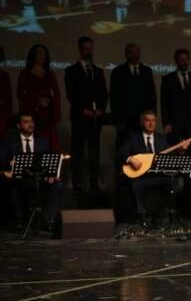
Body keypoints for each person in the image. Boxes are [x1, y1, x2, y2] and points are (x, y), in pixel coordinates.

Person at [120, 110, 188, 226]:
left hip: (158, 175)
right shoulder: (133, 137)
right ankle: (142, 216)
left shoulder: (161, 138)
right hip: (140, 176)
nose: (151, 123)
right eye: (147, 120)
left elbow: (171, 156)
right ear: (142, 122)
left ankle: (163, 215)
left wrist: (181, 151)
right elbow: (121, 152)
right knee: (135, 185)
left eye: (153, 120)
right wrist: (130, 159)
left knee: (171, 182)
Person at [0, 112, 63, 231]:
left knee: (57, 185)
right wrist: (9, 166)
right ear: (19, 125)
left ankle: (48, 220)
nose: (30, 124)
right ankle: (19, 220)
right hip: (19, 178)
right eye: (26, 122)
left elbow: (48, 162)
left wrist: (51, 175)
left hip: (39, 177)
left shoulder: (43, 141)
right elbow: (2, 160)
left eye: (31, 121)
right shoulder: (10, 141)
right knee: (14, 184)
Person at [65, 36, 108, 191]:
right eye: (86, 48)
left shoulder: (97, 71)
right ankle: (77, 183)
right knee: (78, 150)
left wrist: (100, 109)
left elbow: (104, 93)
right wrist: (83, 110)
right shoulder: (71, 70)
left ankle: (94, 182)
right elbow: (71, 94)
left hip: (96, 118)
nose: (89, 51)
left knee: (94, 150)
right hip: (80, 117)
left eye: (91, 48)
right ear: (80, 49)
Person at [110, 43, 157, 150]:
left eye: (137, 53)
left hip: (143, 118)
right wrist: (118, 119)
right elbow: (114, 97)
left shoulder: (147, 71)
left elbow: (152, 95)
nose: (135, 55)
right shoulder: (118, 71)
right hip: (124, 119)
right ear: (126, 54)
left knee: (143, 148)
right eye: (132, 53)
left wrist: (153, 116)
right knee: (124, 148)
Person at [17, 44, 61, 151]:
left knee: (47, 143)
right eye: (39, 53)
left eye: (44, 54)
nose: (42, 56)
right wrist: (36, 99)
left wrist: (54, 109)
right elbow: (20, 94)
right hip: (30, 112)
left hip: (46, 114)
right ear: (33, 55)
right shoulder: (25, 73)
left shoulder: (50, 74)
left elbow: (56, 94)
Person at [160, 48, 191, 150]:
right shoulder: (168, 79)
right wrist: (166, 123)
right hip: (174, 123)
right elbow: (164, 103)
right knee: (174, 151)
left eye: (186, 59)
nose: (184, 62)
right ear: (176, 61)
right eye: (181, 59)